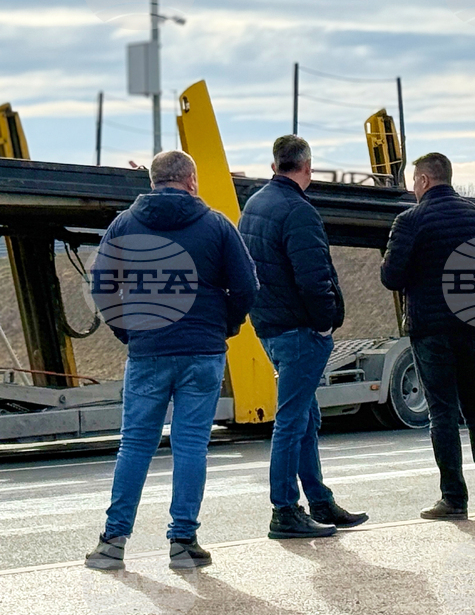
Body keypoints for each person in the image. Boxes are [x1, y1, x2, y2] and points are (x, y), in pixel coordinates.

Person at [85, 150, 258, 571]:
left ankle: (113, 542)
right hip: (202, 351)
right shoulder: (216, 225)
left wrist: (129, 331)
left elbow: (102, 287)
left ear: (152, 182)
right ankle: (183, 543)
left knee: (135, 445)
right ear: (191, 180)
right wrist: (223, 326)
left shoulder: (124, 225)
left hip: (147, 352)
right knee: (191, 445)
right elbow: (248, 286)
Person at [239, 135, 368, 539]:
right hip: (300, 330)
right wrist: (326, 322)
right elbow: (314, 278)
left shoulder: (254, 205)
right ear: (307, 167)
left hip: (271, 328)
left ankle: (319, 499)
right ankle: (284, 510)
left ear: (274, 163)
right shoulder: (298, 211)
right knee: (292, 421)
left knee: (306, 417)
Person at [380, 152, 475, 521]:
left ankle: (453, 498)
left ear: (422, 180)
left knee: (442, 412)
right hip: (472, 326)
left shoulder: (410, 220)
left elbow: (392, 276)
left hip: (431, 329)